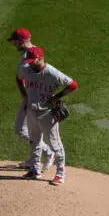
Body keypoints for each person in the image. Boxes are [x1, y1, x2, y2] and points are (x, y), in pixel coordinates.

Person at [17, 46, 78, 185]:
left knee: (55, 144)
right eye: (29, 61)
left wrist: (58, 96)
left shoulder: (52, 72)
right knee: (34, 141)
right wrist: (24, 96)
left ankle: (60, 174)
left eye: (33, 61)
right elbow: (18, 77)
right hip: (32, 111)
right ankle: (35, 170)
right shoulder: (27, 69)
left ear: (40, 58)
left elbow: (73, 85)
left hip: (47, 114)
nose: (30, 63)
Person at [7, 28, 54, 172]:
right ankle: (33, 159)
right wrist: (23, 95)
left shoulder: (34, 55)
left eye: (15, 41)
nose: (14, 44)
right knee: (27, 129)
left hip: (34, 98)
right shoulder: (25, 55)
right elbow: (18, 77)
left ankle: (48, 152)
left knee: (21, 129)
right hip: (28, 97)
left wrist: (29, 98)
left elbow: (40, 78)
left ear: (21, 40)